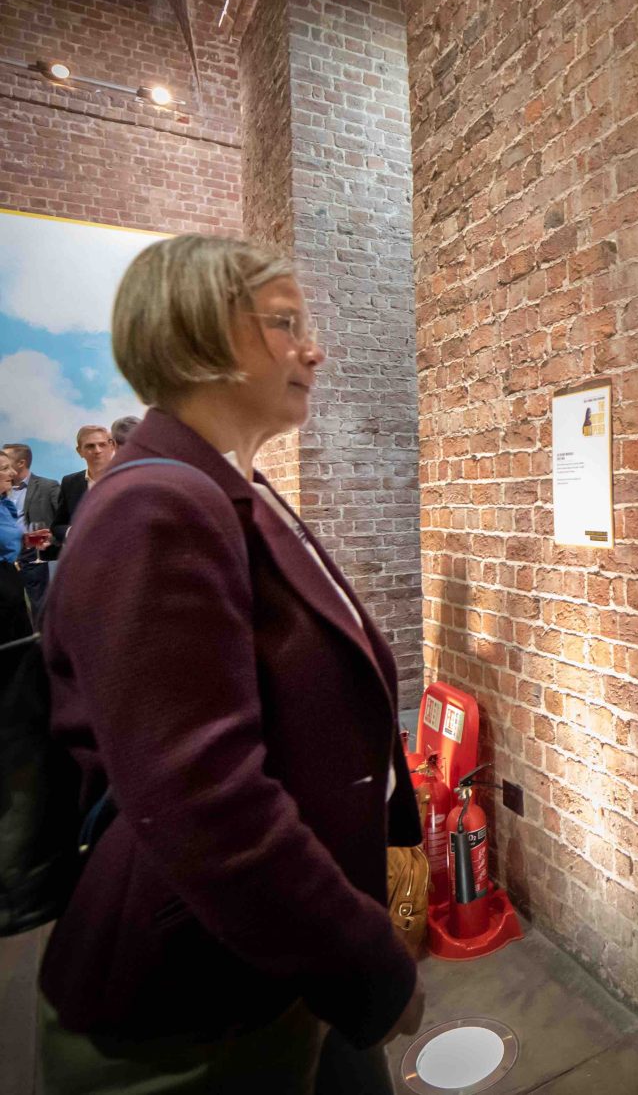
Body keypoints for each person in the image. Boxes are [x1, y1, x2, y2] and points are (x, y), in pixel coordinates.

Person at [39, 235, 424, 1094]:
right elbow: (204, 802)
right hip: (196, 1002)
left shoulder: (227, 485)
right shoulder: (154, 506)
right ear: (199, 335)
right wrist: (365, 961)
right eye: (285, 323)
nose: (314, 350)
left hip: (280, 965)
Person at [2, 443, 59, 620]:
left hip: (34, 555)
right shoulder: (5, 493)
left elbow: (63, 518)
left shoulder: (48, 486)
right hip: (8, 563)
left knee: (39, 605)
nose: (10, 471)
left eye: (8, 463)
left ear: (21, 463)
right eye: (4, 467)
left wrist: (29, 540)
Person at [44, 425, 115, 562]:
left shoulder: (129, 478)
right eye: (90, 446)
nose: (97, 450)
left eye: (102, 444)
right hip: (82, 562)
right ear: (79, 451)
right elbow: (57, 526)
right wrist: (72, 532)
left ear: (112, 446)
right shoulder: (70, 482)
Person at [0, 448, 32, 644]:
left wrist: (24, 540)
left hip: (11, 578)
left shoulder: (5, 504)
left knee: (22, 645)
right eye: (4, 468)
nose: (12, 473)